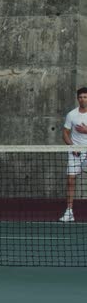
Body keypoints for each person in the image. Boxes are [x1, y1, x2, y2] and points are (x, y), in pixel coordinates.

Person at [60, 87, 87, 222]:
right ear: (77, 99)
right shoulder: (71, 114)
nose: (83, 99)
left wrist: (86, 130)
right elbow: (65, 132)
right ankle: (69, 212)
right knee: (70, 181)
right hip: (75, 151)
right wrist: (72, 147)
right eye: (81, 97)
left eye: (85, 97)